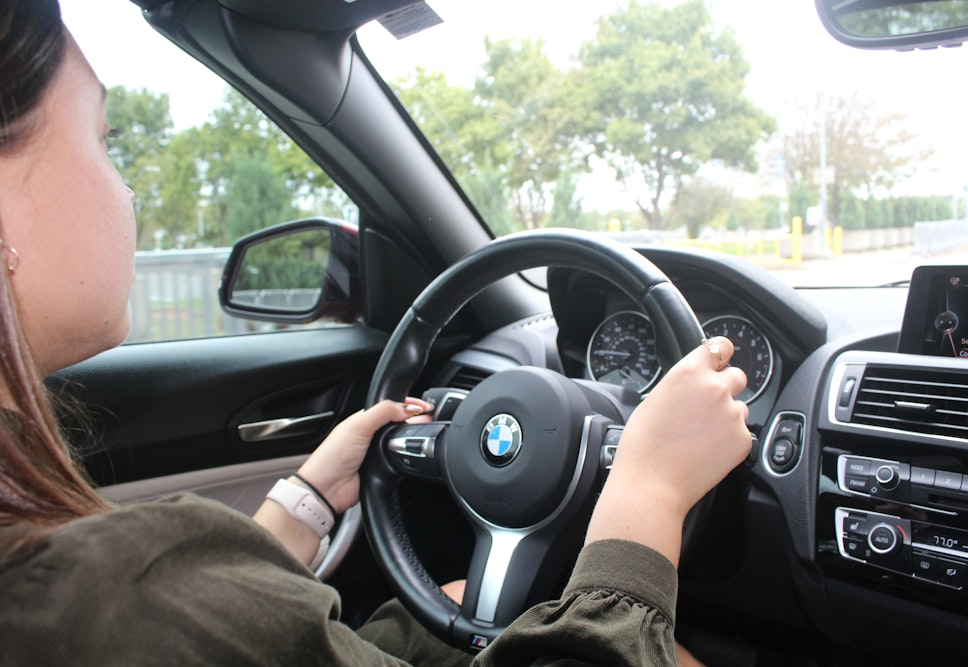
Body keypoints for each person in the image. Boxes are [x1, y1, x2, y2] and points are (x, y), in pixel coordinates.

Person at [0, 1, 751, 665]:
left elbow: (217, 626)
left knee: (463, 596)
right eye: (104, 139)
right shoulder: (108, 589)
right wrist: (648, 487)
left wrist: (308, 499)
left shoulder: (97, 593)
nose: (125, 188)